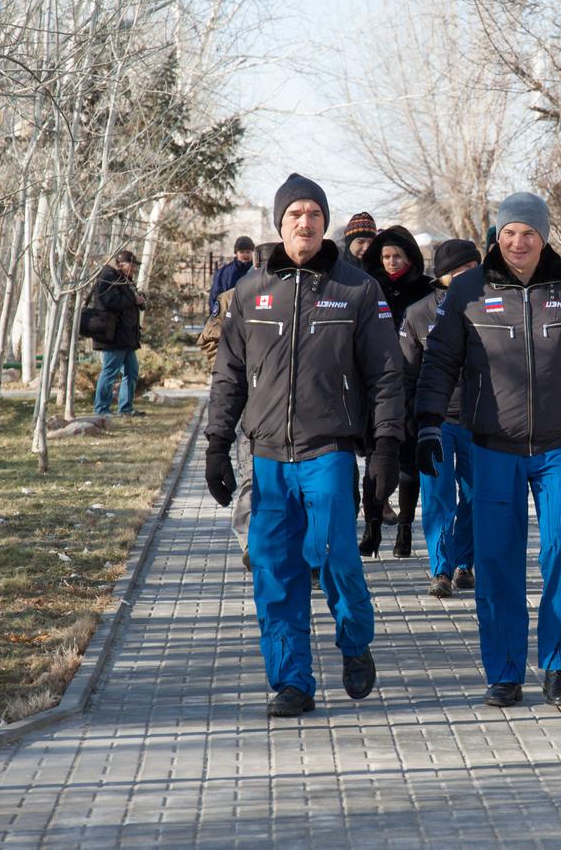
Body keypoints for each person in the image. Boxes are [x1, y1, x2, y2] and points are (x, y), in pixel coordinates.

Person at [415, 192, 561, 711]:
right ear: (497, 235)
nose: (518, 242)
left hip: (558, 448)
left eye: (528, 233)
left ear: (544, 237)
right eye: (509, 232)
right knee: (496, 561)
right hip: (492, 448)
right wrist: (425, 424)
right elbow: (440, 361)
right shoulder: (468, 289)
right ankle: (505, 672)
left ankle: (558, 668)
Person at [205, 173, 405, 717]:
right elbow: (228, 375)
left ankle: (354, 639)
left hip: (329, 451)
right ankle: (291, 681)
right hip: (267, 455)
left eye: (314, 214)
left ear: (325, 222)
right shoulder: (248, 291)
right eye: (295, 214)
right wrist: (216, 443)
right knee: (274, 568)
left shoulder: (356, 289)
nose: (305, 222)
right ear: (279, 223)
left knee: (336, 554)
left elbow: (387, 374)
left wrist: (385, 445)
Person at [400, 238, 481, 597]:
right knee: (437, 496)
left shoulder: (489, 305)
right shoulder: (418, 313)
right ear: (444, 275)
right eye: (462, 270)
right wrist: (408, 420)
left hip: (479, 419)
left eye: (473, 269)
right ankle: (441, 570)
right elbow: (405, 371)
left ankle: (465, 564)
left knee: (476, 495)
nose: (469, 276)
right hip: (435, 421)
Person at [360, 225, 434, 557]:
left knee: (407, 463)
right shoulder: (367, 287)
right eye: (385, 256)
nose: (390, 262)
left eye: (397, 256)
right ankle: (372, 526)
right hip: (373, 384)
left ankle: (404, 528)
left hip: (411, 383)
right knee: (375, 461)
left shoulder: (423, 290)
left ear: (409, 258)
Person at [197, 286, 252, 569]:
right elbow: (209, 339)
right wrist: (230, 367)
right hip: (248, 404)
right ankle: (251, 544)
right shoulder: (236, 296)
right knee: (252, 476)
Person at [92, 249, 147, 417]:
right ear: (121, 264)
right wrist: (133, 299)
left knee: (132, 371)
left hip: (126, 337)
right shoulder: (107, 277)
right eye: (132, 265)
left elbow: (127, 301)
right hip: (113, 336)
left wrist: (139, 299)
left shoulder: (124, 280)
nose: (134, 269)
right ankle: (101, 409)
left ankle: (125, 408)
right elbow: (109, 301)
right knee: (109, 372)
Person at [208, 236, 255, 316]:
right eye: (242, 252)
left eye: (248, 252)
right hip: (229, 316)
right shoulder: (224, 273)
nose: (245, 255)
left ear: (252, 253)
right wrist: (218, 316)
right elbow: (215, 296)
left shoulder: (256, 271)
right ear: (236, 253)